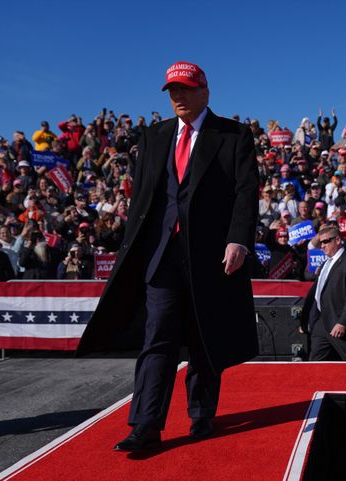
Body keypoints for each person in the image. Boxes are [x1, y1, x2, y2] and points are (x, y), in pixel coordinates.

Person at [76, 61, 259, 452]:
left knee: (203, 338)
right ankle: (144, 425)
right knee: (156, 336)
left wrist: (238, 239)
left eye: (186, 89)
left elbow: (246, 192)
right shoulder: (155, 136)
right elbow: (143, 197)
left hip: (212, 257)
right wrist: (132, 247)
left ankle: (201, 413)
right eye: (172, 90)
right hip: (162, 255)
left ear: (205, 92)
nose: (178, 96)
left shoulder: (232, 135)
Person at [300, 226, 346, 361]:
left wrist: (342, 322)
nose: (322, 246)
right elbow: (315, 293)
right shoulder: (325, 264)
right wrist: (305, 320)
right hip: (321, 322)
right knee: (314, 363)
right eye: (320, 243)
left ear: (338, 240)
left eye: (326, 241)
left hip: (339, 324)